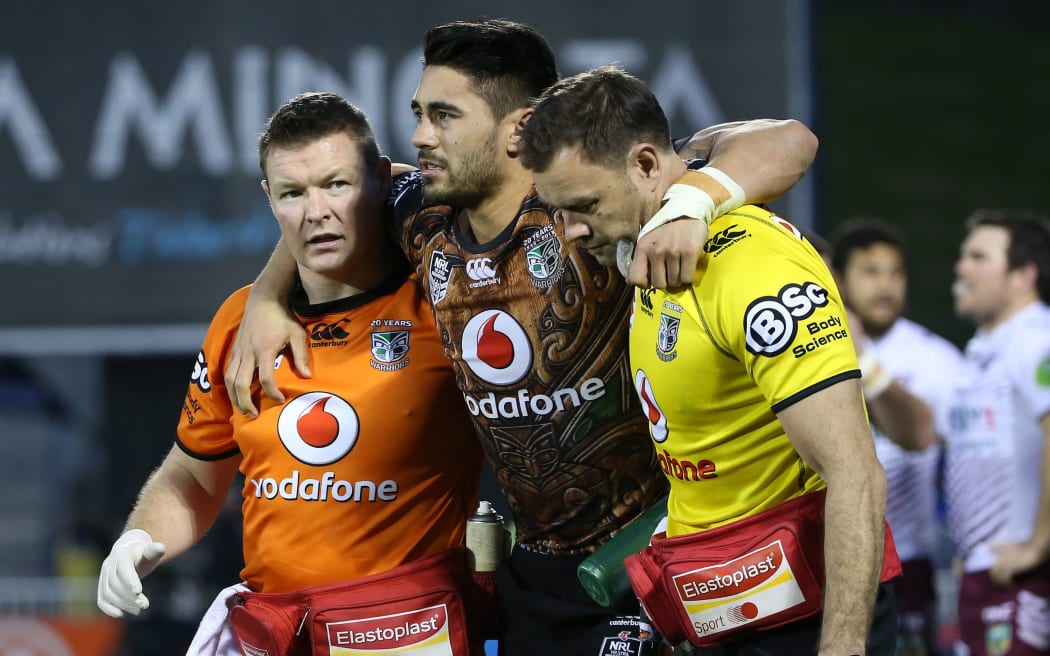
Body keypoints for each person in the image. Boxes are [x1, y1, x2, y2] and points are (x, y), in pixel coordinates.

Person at [224, 19, 819, 656]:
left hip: (649, 552)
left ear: (520, 128)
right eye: (420, 113)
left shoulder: (589, 200)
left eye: (445, 116)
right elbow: (328, 200)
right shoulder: (418, 213)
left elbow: (789, 139)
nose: (422, 136)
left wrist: (694, 202)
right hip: (534, 576)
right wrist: (267, 293)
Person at [518, 65, 900, 655]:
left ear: (646, 165)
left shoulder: (753, 266)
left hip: (803, 625)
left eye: (584, 204)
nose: (569, 231)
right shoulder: (650, 248)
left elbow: (855, 474)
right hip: (721, 612)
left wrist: (843, 648)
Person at [96, 92, 490, 655]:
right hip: (275, 631)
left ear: (379, 180)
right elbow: (193, 475)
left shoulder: (442, 303)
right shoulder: (238, 322)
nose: (315, 212)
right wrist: (139, 537)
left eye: (337, 184)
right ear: (269, 199)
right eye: (292, 194)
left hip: (406, 630)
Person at [831, 219, 964, 656]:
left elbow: (954, 458)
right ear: (839, 278)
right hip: (832, 557)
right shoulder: (813, 349)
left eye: (896, 272)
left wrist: (865, 362)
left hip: (911, 561)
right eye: (870, 271)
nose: (886, 284)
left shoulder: (940, 360)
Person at [945, 209, 1050, 656]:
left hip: (1024, 572)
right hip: (986, 571)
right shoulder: (990, 349)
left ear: (1023, 276)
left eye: (978, 257)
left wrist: (1039, 544)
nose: (960, 267)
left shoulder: (1036, 339)